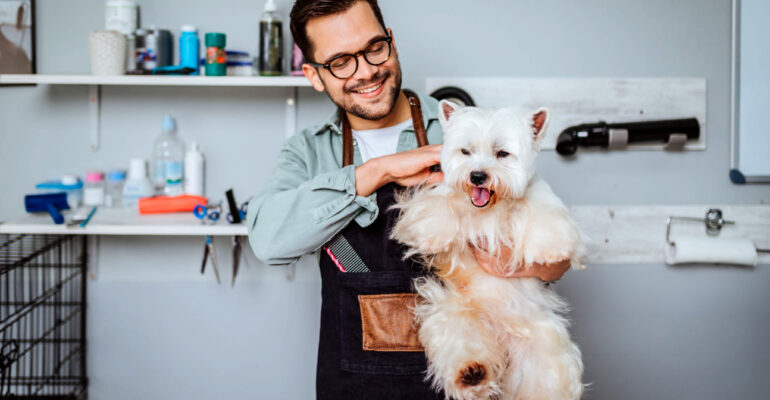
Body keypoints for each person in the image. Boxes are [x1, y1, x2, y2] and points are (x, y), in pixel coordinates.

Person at [246, 1, 570, 398]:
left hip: (470, 377)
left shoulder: (466, 131)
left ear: (392, 42)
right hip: (355, 385)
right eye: (340, 62)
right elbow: (268, 240)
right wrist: (381, 170)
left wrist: (547, 264)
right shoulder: (308, 154)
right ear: (314, 75)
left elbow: (549, 245)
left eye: (374, 48)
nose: (365, 70)